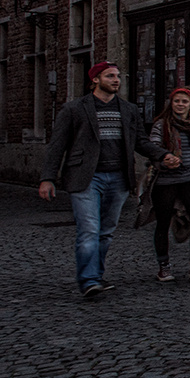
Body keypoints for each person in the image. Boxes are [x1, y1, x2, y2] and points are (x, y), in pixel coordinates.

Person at [40, 62, 162, 298]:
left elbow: (141, 142)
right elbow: (57, 146)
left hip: (118, 177)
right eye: (109, 76)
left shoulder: (128, 110)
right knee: (89, 229)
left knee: (105, 231)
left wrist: (163, 155)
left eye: (118, 76)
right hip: (86, 177)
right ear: (95, 80)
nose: (116, 80)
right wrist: (48, 178)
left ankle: (96, 274)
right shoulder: (75, 109)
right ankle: (88, 280)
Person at [148, 86, 190, 281]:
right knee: (163, 222)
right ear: (171, 103)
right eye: (176, 101)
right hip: (166, 181)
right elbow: (153, 149)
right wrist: (164, 159)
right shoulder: (161, 125)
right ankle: (164, 265)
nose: (180, 105)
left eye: (184, 101)